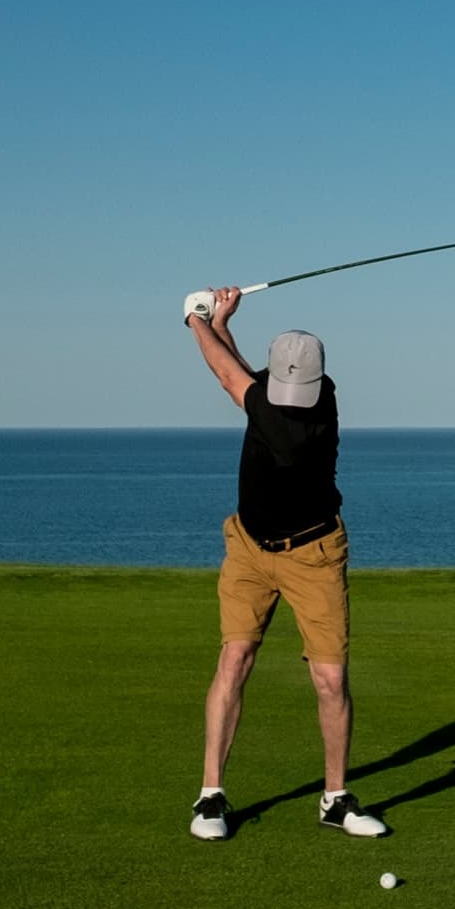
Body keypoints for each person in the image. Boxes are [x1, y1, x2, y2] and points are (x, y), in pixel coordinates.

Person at [183, 284, 388, 842]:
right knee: (236, 657)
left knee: (329, 678)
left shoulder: (306, 407)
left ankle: (336, 798)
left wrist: (195, 318)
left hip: (315, 554)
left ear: (318, 386)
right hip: (249, 549)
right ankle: (210, 797)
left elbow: (231, 378)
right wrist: (224, 322)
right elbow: (241, 376)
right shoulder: (285, 393)